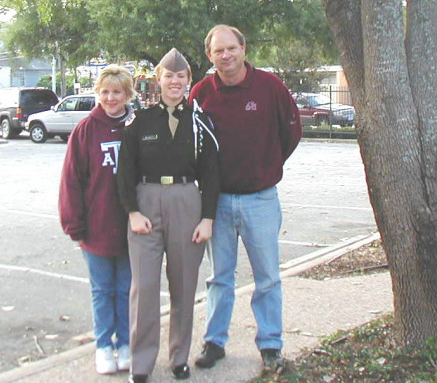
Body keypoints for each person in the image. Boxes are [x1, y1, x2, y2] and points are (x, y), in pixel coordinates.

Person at [188, 24, 302, 371]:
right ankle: (214, 342)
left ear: (243, 49)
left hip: (261, 200)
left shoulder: (270, 87)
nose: (225, 55)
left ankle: (270, 345)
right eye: (218, 51)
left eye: (231, 48)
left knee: (267, 277)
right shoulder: (201, 93)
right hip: (217, 203)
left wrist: (268, 163)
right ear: (210, 56)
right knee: (219, 277)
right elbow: (192, 144)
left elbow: (291, 132)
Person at [117, 48, 219, 383]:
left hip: (187, 201)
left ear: (189, 80)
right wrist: (132, 212)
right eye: (168, 76)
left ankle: (179, 357)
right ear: (158, 79)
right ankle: (142, 362)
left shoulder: (200, 122)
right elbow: (125, 171)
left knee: (184, 285)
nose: (175, 82)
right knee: (144, 287)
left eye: (181, 76)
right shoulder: (140, 121)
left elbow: (212, 174)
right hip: (146, 202)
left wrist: (207, 218)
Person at [59, 64, 136, 375]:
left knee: (127, 290)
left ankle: (127, 343)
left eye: (117, 92)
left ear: (128, 94)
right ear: (97, 93)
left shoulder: (138, 128)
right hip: (97, 228)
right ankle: (104, 346)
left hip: (133, 228)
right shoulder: (85, 131)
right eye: (104, 92)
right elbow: (71, 182)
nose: (110, 97)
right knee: (102, 290)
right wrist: (74, 226)